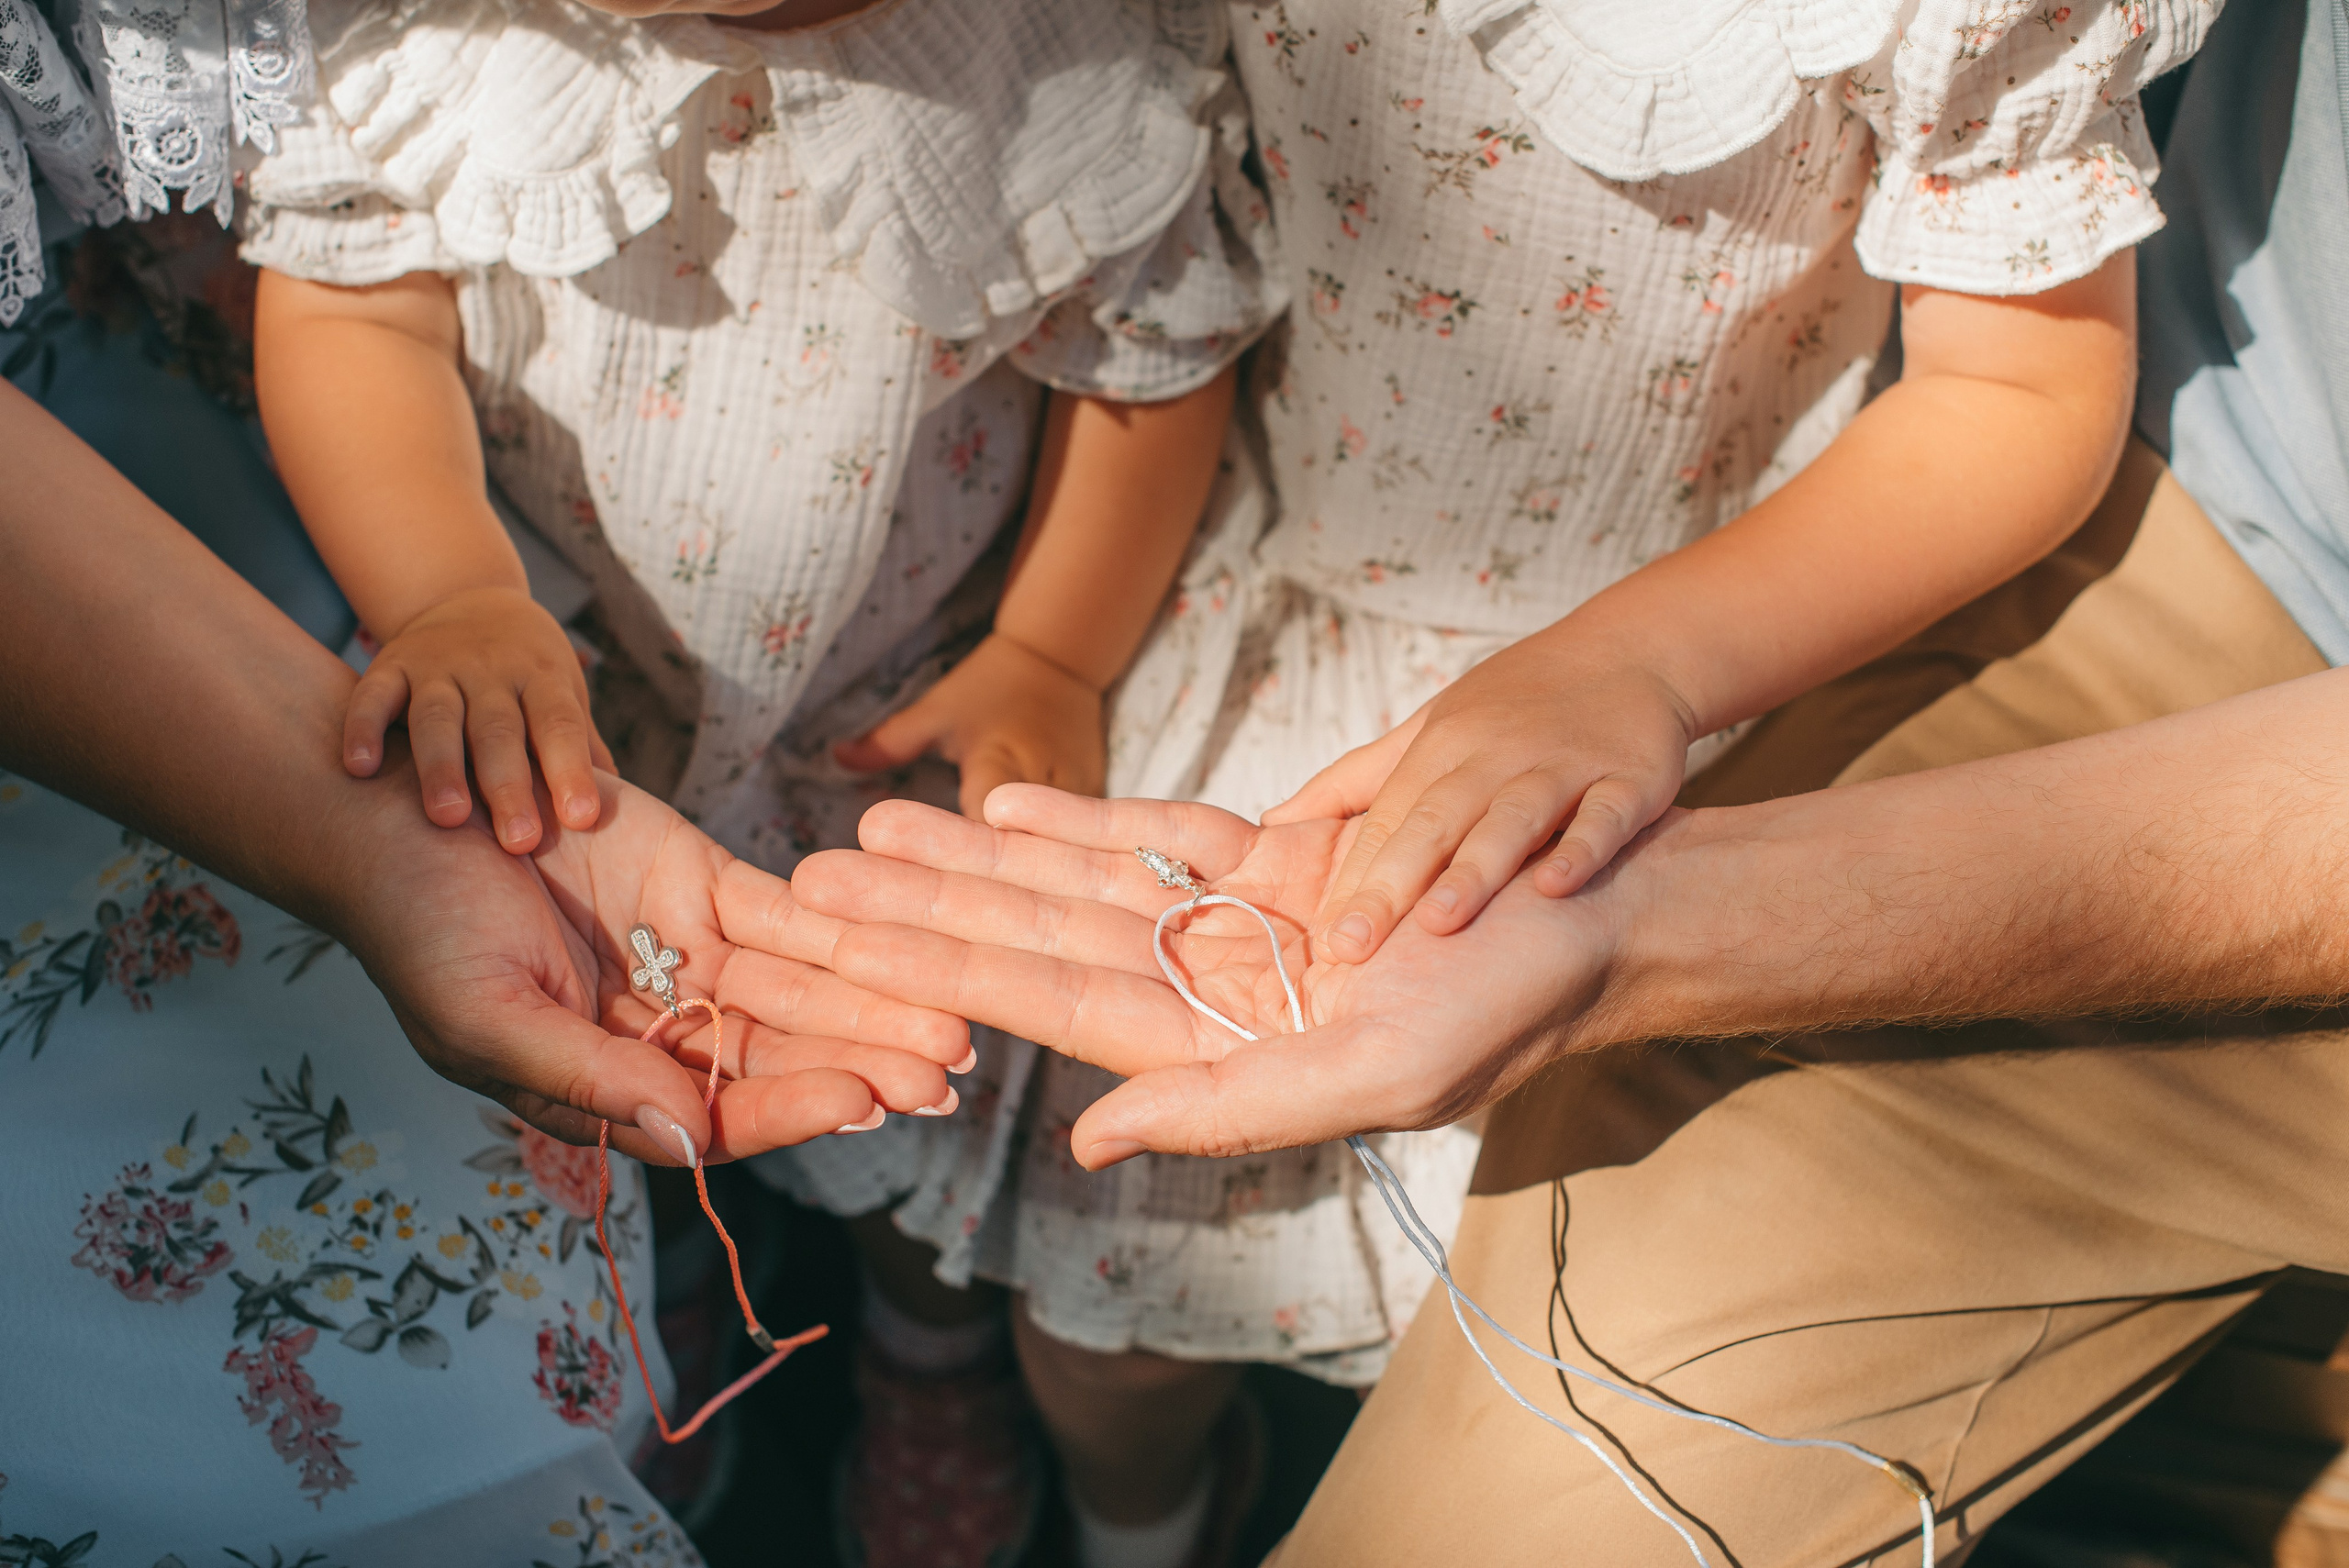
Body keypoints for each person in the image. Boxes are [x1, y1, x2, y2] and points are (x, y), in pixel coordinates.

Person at [789, 0, 2349, 1559]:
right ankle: (1139, 1519)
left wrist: (1633, 675)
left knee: (1478, 1284)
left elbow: (2011, 395)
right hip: (1287, 617)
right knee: (1118, 1309)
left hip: (1702, 648)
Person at [234, 0, 1281, 1561]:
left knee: (903, 1054)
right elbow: (350, 316)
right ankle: (652, 1317)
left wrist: (1054, 656)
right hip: (562, 690)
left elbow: (1143, 361)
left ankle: (926, 1343)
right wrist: (451, 593)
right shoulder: (433, 39)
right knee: (594, 1042)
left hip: (892, 688)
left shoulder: (1043, 47)